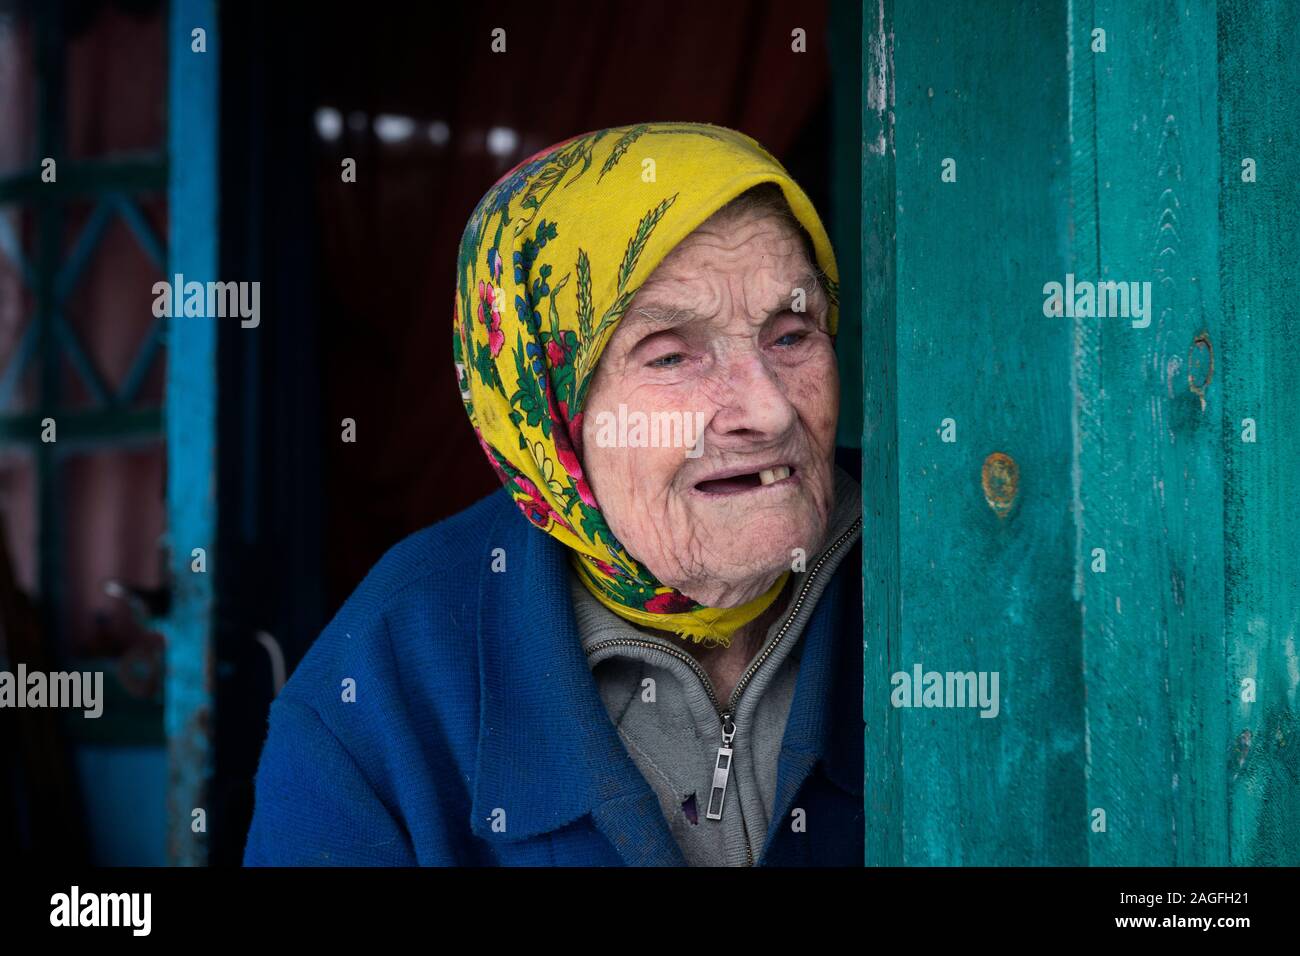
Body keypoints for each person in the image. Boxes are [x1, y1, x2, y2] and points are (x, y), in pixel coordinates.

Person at [243, 122, 864, 866]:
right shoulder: (385, 682)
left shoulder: (951, 569)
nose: (767, 411)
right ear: (544, 411)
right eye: (670, 355)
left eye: (791, 335)